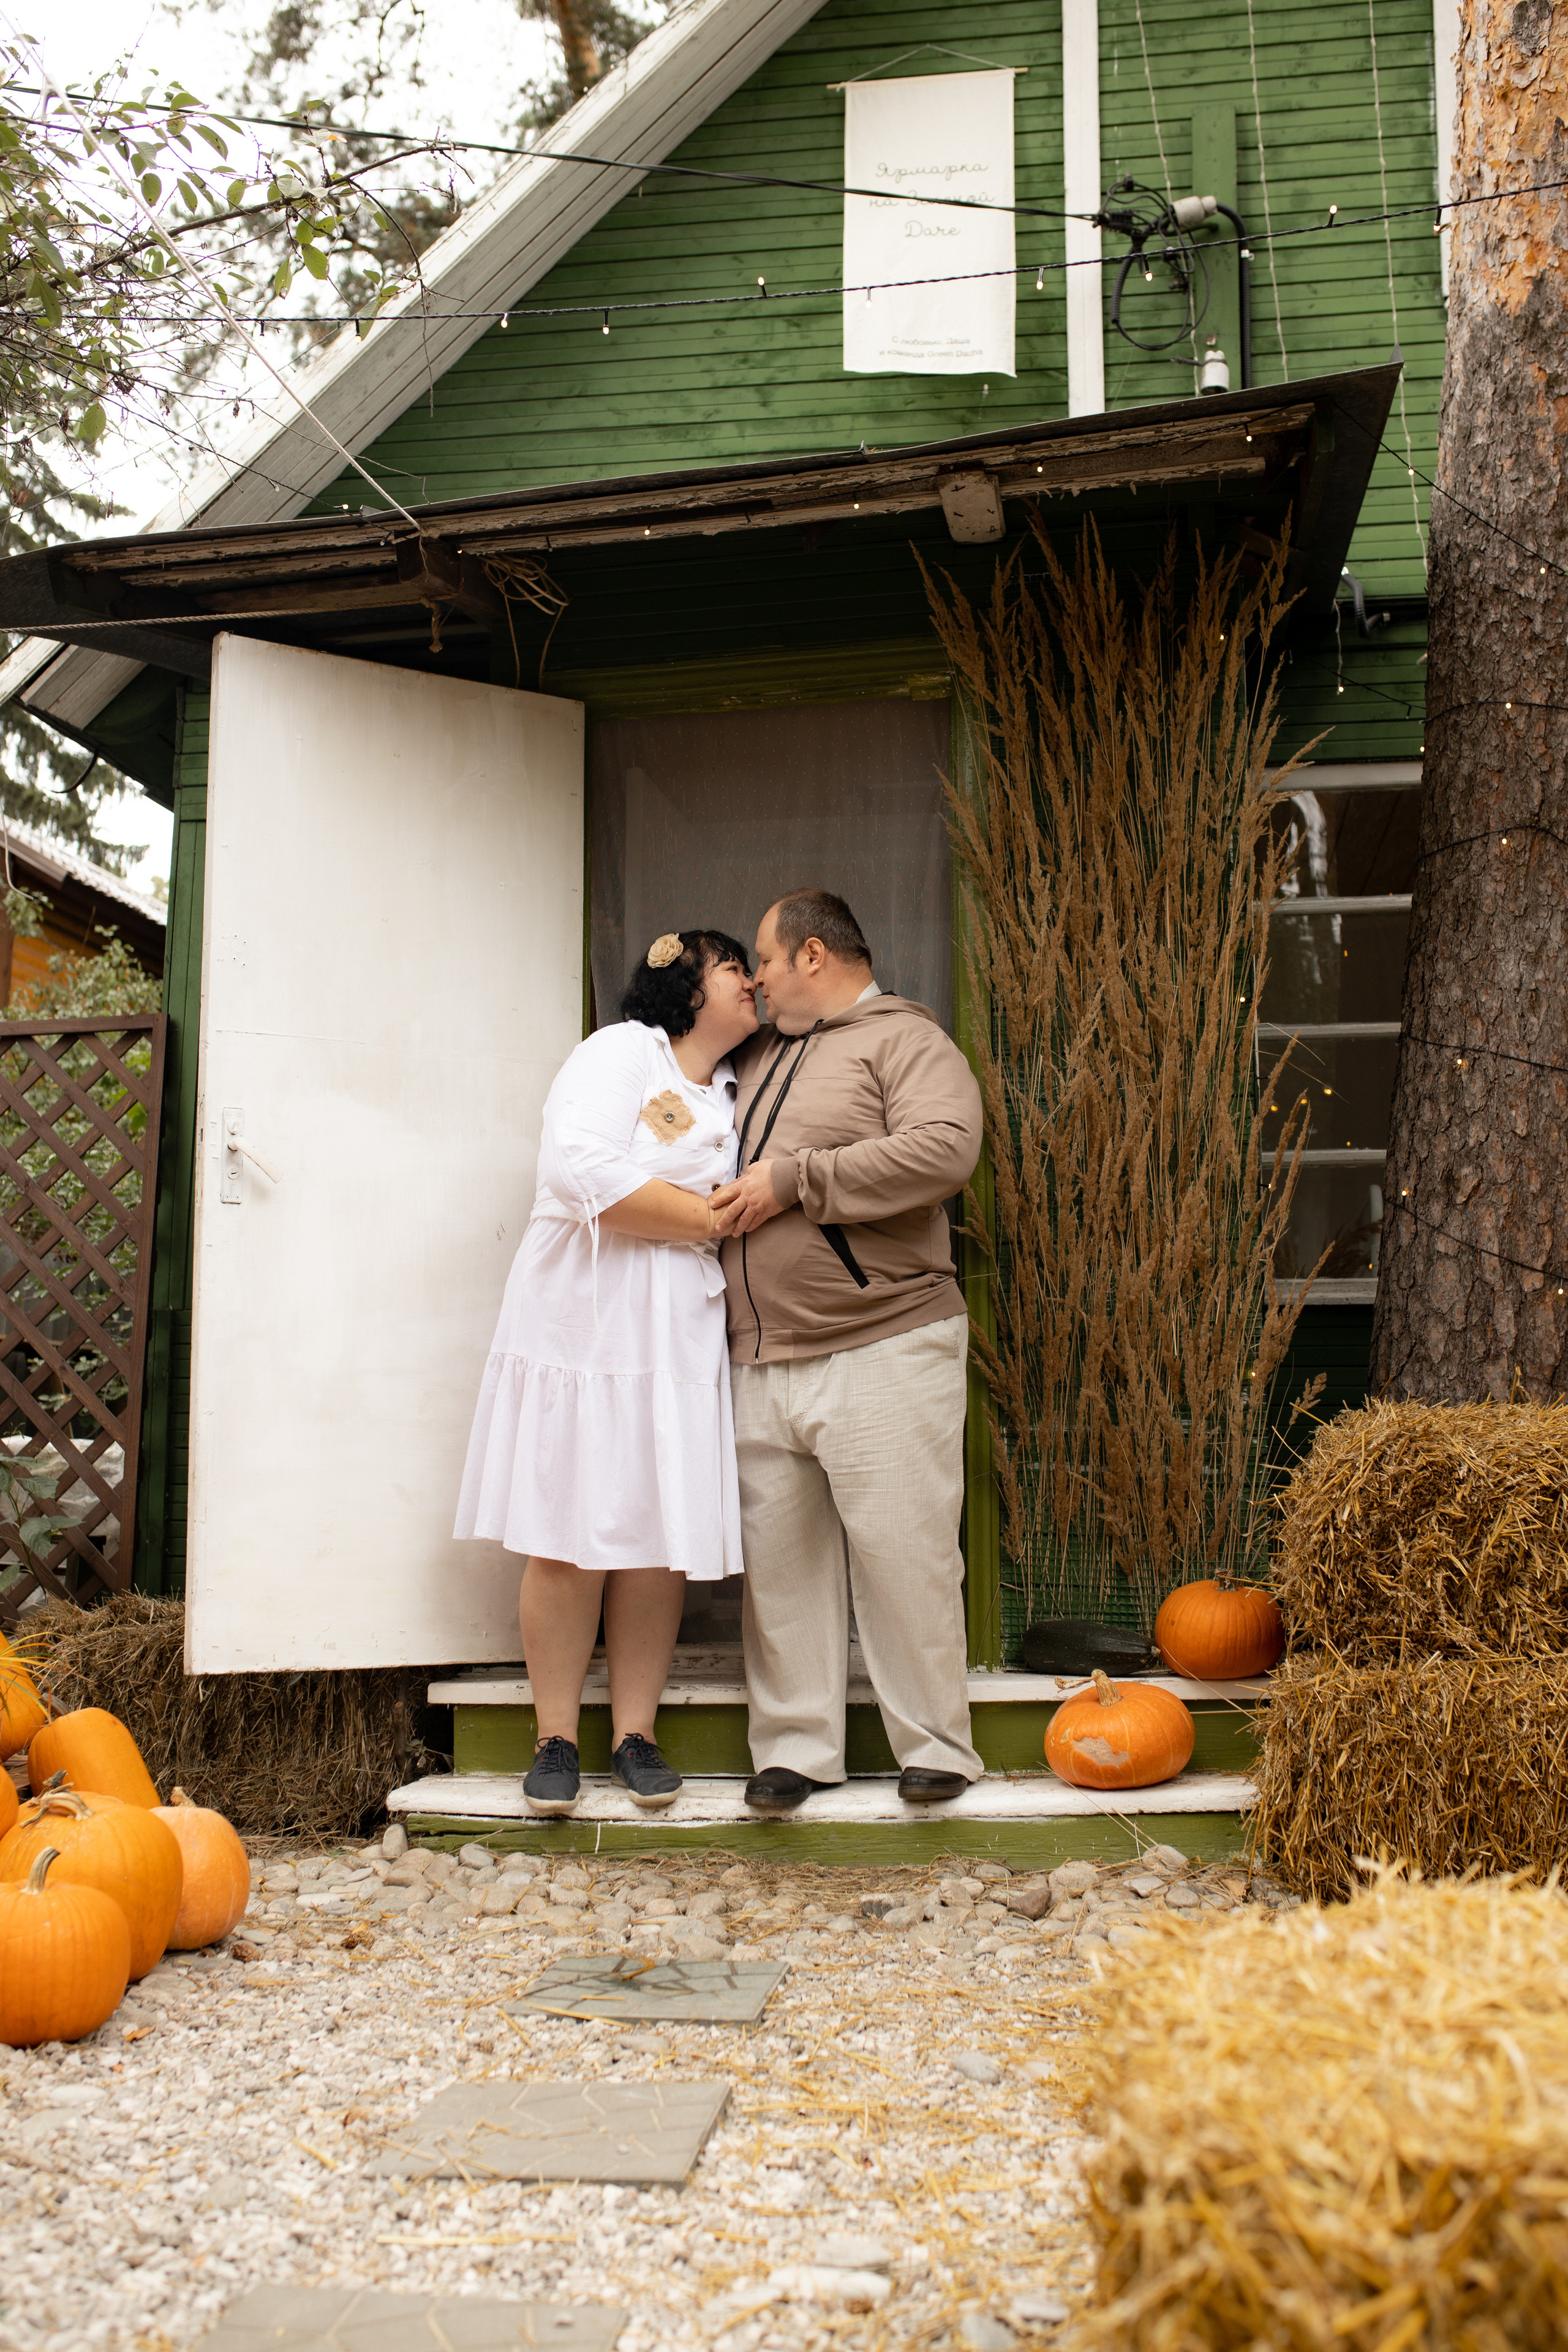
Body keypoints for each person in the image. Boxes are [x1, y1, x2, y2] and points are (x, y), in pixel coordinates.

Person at [454, 929, 758, 1818]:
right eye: (739, 967)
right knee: (565, 1523)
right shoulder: (625, 1052)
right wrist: (708, 1218)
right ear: (689, 983)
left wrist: (692, 1221)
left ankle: (636, 1734)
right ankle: (554, 1736)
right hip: (583, 1319)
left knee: (657, 1534)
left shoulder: (740, 1085)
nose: (755, 982)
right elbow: (577, 1167)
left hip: (675, 1329)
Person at [707, 889, 985, 1812]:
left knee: (903, 1552)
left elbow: (946, 1150)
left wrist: (798, 1181)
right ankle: (796, 1749)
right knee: (780, 1566)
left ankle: (937, 1745)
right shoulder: (747, 1060)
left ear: (815, 956)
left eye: (767, 960)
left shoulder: (903, 1040)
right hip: (759, 1353)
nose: (755, 978)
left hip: (883, 1342)